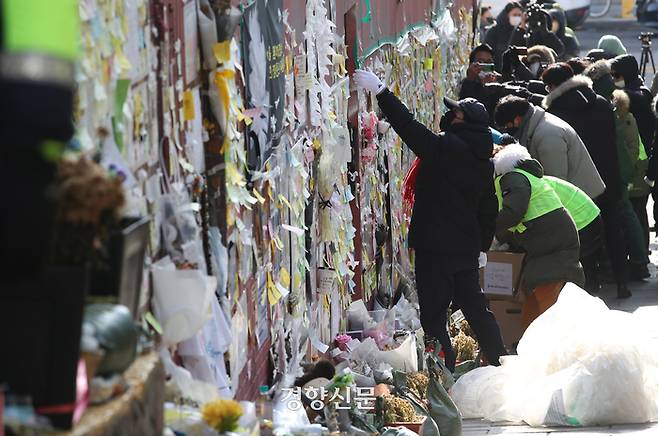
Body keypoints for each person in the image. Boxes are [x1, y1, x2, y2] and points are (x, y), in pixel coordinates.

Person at [353, 69, 507, 371]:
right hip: (465, 250)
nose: (451, 116)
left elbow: (409, 128)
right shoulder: (484, 162)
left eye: (456, 113)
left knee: (434, 317)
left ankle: (443, 376)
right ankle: (502, 360)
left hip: (435, 250)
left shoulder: (445, 148)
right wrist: (481, 249)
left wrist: (382, 91)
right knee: (477, 309)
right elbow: (488, 211)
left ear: (463, 122)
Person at [541, 63, 631, 297]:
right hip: (609, 176)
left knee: (583, 235)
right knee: (614, 229)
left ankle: (590, 286)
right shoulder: (601, 102)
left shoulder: (556, 113)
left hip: (580, 182)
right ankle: (622, 283)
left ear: (552, 86)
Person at [492, 143, 584, 327]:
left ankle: (550, 342)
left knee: (547, 299)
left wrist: (485, 227)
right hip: (552, 240)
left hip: (550, 243)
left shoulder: (511, 178)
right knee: (535, 297)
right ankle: (531, 341)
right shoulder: (524, 175)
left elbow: (513, 213)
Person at [494, 95, 605, 199]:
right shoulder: (537, 125)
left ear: (517, 120)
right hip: (576, 192)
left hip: (578, 198)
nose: (507, 130)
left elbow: (557, 180)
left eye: (506, 125)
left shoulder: (547, 135)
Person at [544, 175, 603, 294]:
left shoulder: (534, 188)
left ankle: (587, 297)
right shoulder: (539, 181)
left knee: (582, 269)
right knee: (588, 267)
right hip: (588, 214)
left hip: (582, 222)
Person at [485, 2, 564, 71]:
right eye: (514, 15)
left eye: (519, 15)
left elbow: (559, 50)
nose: (517, 17)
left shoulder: (531, 32)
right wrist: (520, 30)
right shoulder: (495, 31)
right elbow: (511, 51)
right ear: (506, 15)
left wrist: (545, 32)